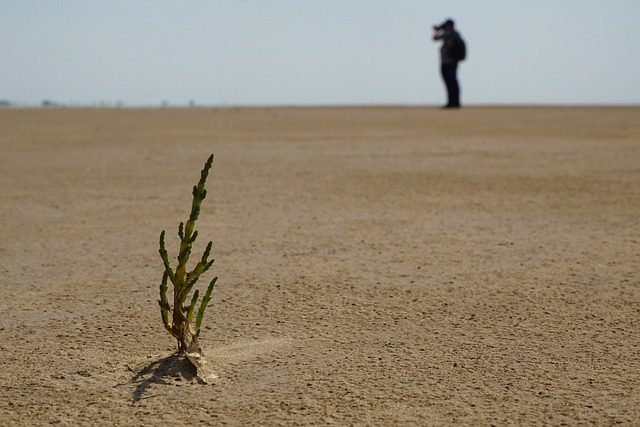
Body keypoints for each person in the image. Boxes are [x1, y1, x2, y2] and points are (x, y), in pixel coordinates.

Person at [433, 19, 463, 109]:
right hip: (451, 61)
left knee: (450, 82)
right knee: (452, 82)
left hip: (448, 62)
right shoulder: (455, 34)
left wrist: (437, 30)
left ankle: (453, 103)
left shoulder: (450, 33)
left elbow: (435, 38)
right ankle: (454, 102)